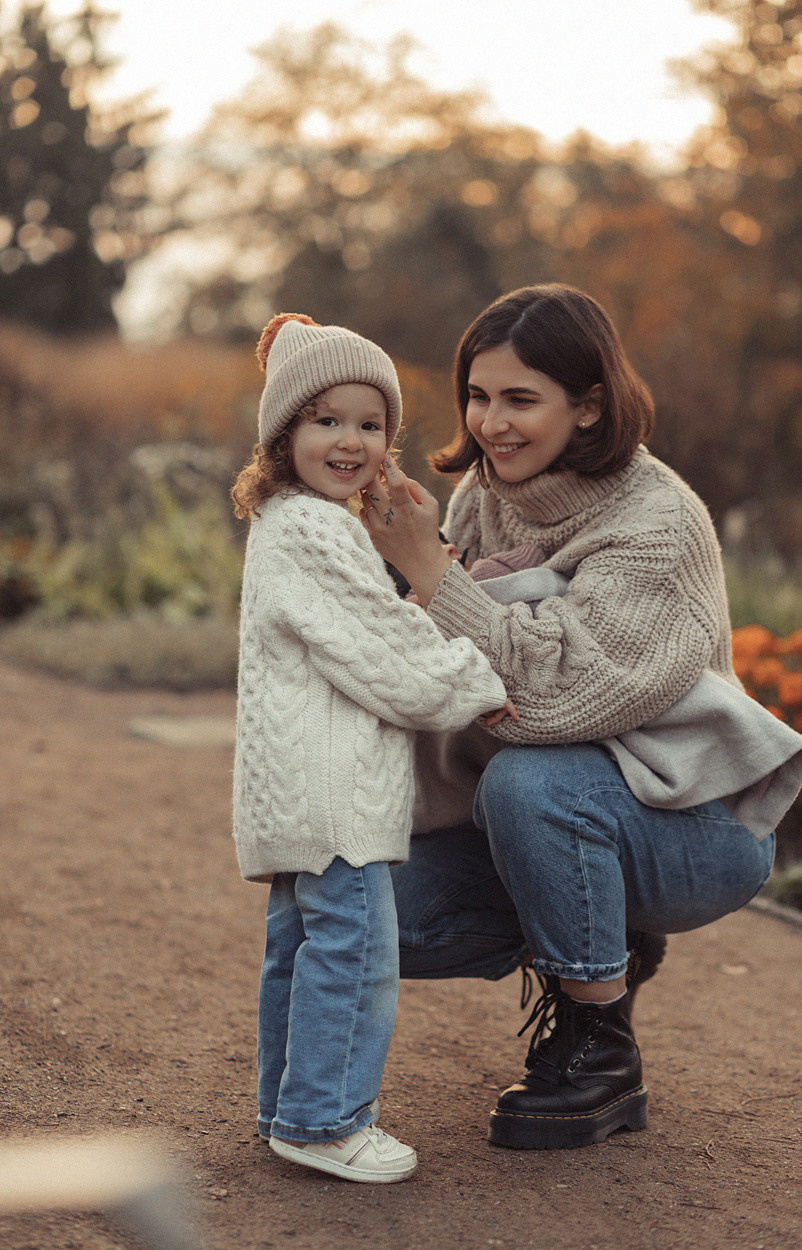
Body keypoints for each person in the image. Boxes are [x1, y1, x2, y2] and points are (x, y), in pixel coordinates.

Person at [359, 284, 802, 1151]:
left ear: (589, 403)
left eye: (520, 399)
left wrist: (435, 576)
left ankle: (599, 1049)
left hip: (692, 827)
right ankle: (599, 935)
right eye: (479, 396)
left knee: (533, 781)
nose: (492, 423)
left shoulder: (656, 521)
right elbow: (441, 665)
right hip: (550, 817)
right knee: (368, 905)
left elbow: (551, 705)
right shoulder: (482, 500)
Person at [230, 313, 512, 1183]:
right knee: (352, 953)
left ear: (389, 440)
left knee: (303, 949)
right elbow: (380, 650)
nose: (348, 441)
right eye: (324, 421)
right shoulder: (314, 531)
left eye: (369, 423)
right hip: (332, 793)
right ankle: (325, 1122)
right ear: (283, 434)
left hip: (297, 792)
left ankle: (288, 1107)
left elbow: (364, 628)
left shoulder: (294, 523)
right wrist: (484, 684)